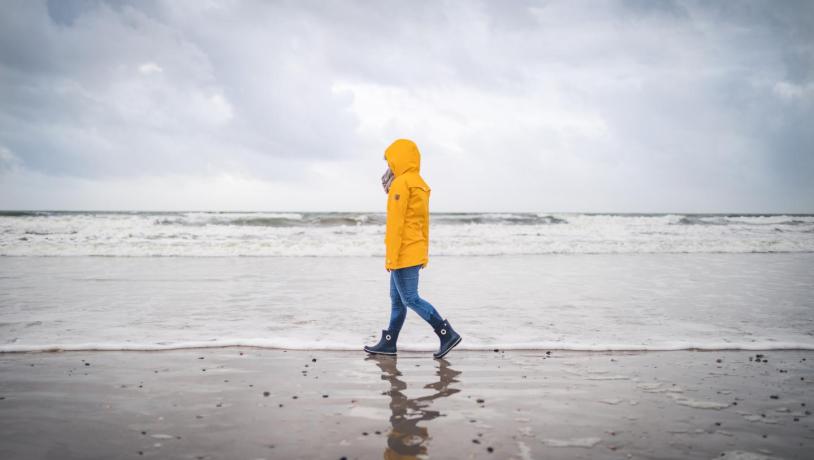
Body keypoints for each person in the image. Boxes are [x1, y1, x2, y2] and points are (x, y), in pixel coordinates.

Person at [364, 139, 462, 359]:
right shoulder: (420, 183)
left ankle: (447, 333)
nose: (388, 165)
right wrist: (424, 253)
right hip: (415, 249)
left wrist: (391, 257)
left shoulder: (401, 184)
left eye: (389, 160)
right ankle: (389, 343)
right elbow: (424, 223)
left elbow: (396, 225)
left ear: (397, 159)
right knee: (397, 300)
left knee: (410, 298)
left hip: (403, 252)